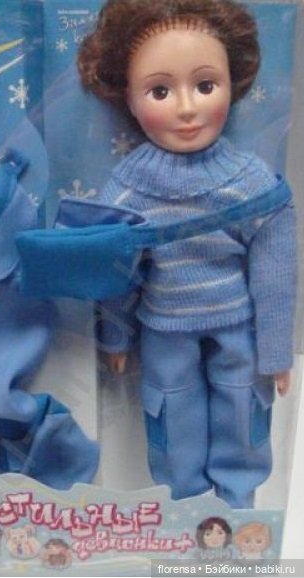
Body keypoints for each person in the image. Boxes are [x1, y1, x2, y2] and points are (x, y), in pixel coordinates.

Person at [77, 0, 297, 508]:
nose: (186, 108)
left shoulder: (250, 183)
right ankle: (185, 510)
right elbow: (116, 271)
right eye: (160, 91)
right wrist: (116, 334)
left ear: (232, 84)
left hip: (236, 327)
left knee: (241, 408)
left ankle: (238, 512)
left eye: (205, 85)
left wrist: (276, 349)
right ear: (129, 99)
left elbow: (275, 271)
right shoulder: (128, 190)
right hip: (164, 331)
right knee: (174, 417)